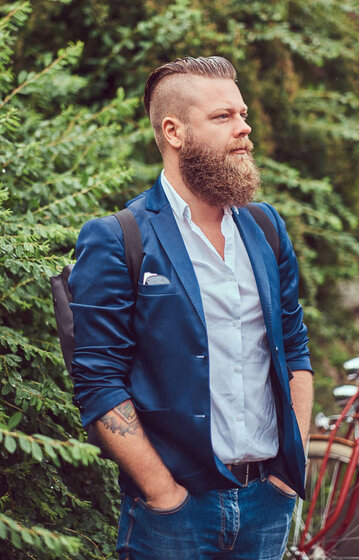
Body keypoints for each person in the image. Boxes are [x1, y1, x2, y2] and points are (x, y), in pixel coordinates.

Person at [69, 56, 313, 560]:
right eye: (223, 117)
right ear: (174, 131)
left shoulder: (266, 228)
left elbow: (294, 350)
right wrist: (163, 493)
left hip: (268, 501)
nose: (244, 129)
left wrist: (292, 471)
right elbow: (98, 380)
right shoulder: (119, 239)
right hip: (174, 515)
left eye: (242, 114)